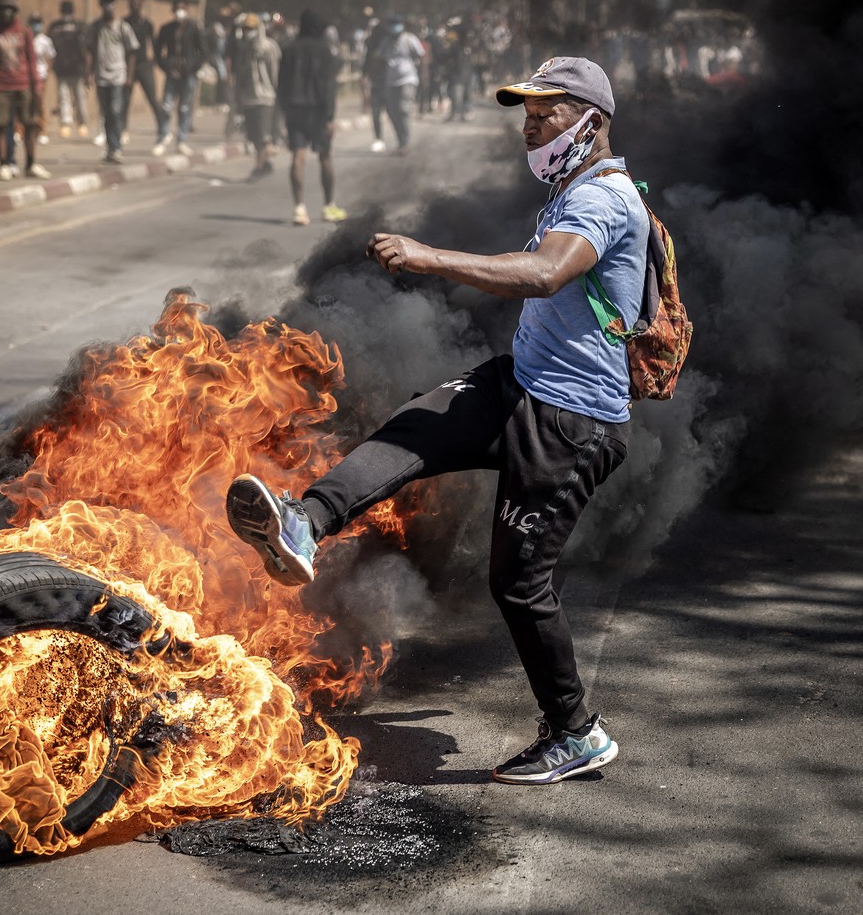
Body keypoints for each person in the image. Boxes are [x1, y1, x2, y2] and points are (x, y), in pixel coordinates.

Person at [226, 56, 640, 785]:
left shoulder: (605, 201)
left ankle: (576, 731)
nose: (530, 125)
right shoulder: (576, 189)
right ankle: (303, 524)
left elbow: (544, 273)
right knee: (418, 424)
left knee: (519, 582)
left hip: (572, 421)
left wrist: (428, 256)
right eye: (526, 112)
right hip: (524, 383)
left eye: (546, 112)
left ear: (591, 121)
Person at [277, 9, 342, 225]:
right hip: (318, 111)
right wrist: (331, 116)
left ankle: (299, 209)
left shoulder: (288, 50)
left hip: (295, 110)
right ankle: (329, 207)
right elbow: (329, 87)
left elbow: (282, 84)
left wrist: (283, 111)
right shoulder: (325, 52)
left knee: (298, 157)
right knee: (324, 156)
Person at [0, 0, 47, 180]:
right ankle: (3, 164)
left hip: (24, 83)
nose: (7, 12)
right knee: (1, 125)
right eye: (3, 9)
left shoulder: (24, 32)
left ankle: (31, 163)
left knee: (30, 124)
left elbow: (32, 60)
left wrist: (37, 86)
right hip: (2, 85)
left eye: (10, 9)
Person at [84, 0, 138, 163]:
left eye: (111, 2)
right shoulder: (95, 27)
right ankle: (110, 149)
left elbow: (132, 52)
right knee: (106, 114)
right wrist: (88, 74)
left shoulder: (123, 26)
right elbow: (89, 51)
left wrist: (129, 76)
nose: (108, 5)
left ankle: (117, 148)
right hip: (101, 76)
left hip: (118, 75)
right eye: (105, 2)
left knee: (116, 111)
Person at [231, 11, 280, 181]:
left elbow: (274, 72)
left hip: (265, 97)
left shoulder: (268, 47)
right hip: (248, 97)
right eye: (245, 29)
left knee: (263, 135)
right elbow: (239, 76)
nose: (247, 32)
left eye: (250, 29)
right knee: (253, 136)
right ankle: (265, 164)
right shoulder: (243, 48)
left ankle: (259, 167)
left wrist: (276, 92)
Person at [154, 0, 206, 155]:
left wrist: (192, 68)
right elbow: (158, 51)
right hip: (172, 74)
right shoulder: (167, 29)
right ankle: (162, 137)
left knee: (184, 108)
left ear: (188, 10)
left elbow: (204, 52)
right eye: (177, 9)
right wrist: (166, 66)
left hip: (188, 75)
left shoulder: (194, 29)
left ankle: (182, 140)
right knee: (166, 106)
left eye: (182, 9)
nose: (180, 12)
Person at [122, 0, 169, 154]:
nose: (135, 6)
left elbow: (154, 45)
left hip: (143, 65)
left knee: (153, 99)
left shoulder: (147, 24)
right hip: (128, 66)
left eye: (137, 3)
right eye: (132, 3)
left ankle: (163, 129)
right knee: (124, 100)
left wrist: (155, 62)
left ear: (141, 5)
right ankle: (123, 130)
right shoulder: (124, 23)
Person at [383, 15, 426, 155]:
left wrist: (425, 75)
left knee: (403, 109)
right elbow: (379, 57)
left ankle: (405, 142)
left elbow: (422, 55)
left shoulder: (409, 39)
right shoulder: (386, 41)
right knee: (392, 111)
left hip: (408, 79)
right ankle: (400, 140)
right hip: (391, 81)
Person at [49, 0, 89, 139]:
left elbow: (85, 49)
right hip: (62, 69)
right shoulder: (55, 27)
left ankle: (82, 123)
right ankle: (66, 124)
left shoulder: (80, 26)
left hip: (77, 69)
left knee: (79, 97)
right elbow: (51, 48)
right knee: (64, 97)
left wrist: (86, 70)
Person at [362, 16, 391, 152]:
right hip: (376, 83)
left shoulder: (390, 45)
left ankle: (402, 140)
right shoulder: (371, 44)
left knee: (392, 112)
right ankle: (379, 138)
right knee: (376, 112)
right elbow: (367, 61)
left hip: (390, 83)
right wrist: (365, 76)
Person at [29, 12, 55, 147]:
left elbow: (51, 57)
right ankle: (22, 131)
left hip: (40, 75)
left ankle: (43, 130)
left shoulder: (45, 41)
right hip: (27, 76)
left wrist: (47, 72)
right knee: (26, 103)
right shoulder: (26, 38)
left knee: (39, 102)